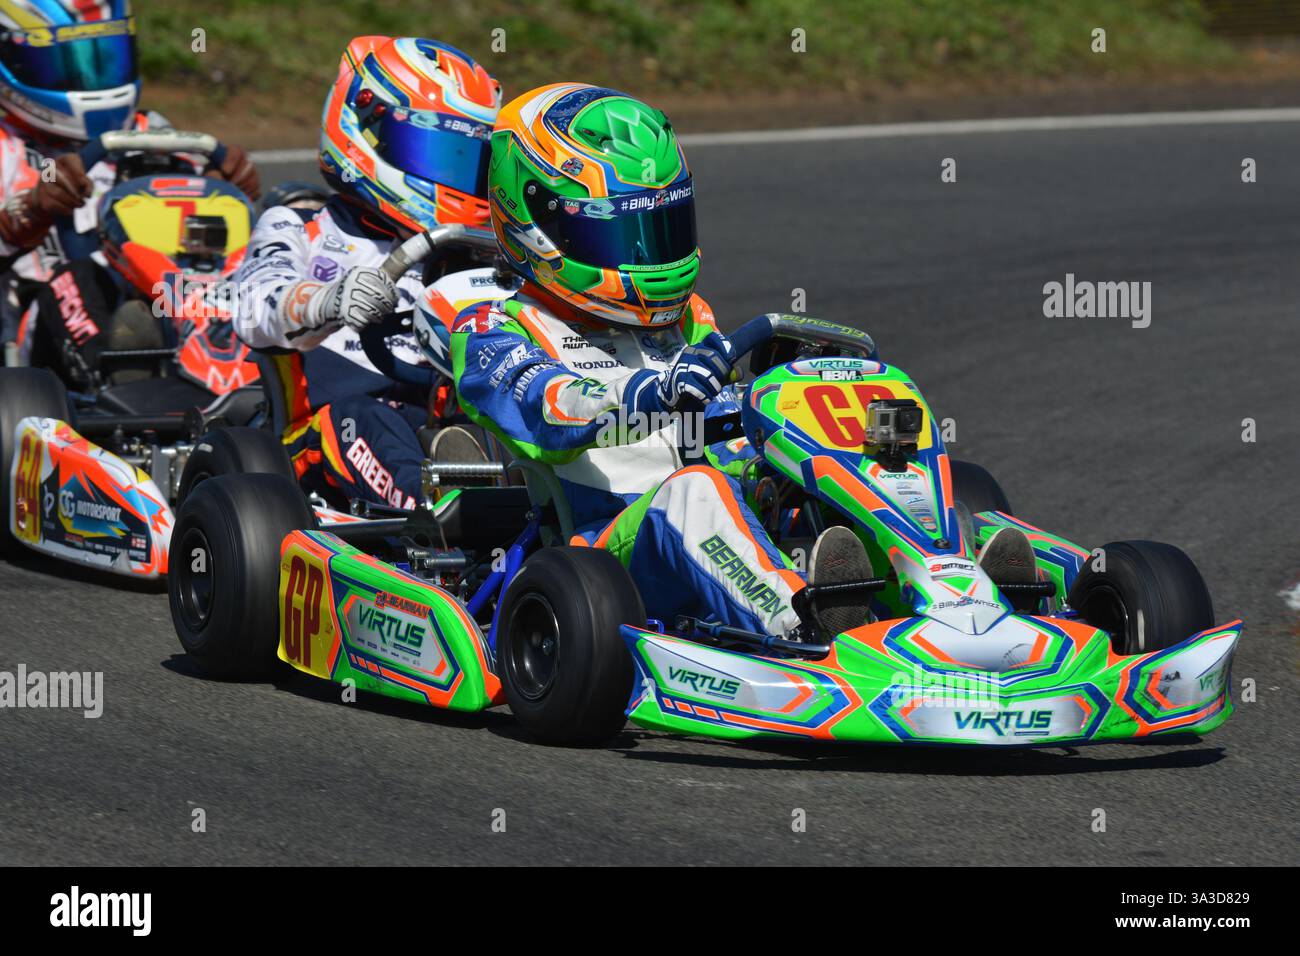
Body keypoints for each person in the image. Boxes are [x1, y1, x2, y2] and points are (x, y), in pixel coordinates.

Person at [449, 83, 889, 641]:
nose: (648, 257)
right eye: (616, 234)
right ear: (539, 224)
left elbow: (723, 420)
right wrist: (650, 395)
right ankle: (805, 625)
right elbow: (546, 406)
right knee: (694, 490)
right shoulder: (494, 329)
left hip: (735, 514)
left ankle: (955, 592)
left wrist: (784, 396)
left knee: (846, 456)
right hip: (605, 559)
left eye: (661, 231)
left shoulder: (687, 321)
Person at [235, 36, 510, 510]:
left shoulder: (480, 254)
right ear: (365, 129)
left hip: (442, 421)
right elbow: (255, 304)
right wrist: (328, 299)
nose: (457, 179)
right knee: (363, 418)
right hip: (317, 442)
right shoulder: (301, 227)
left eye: (470, 164)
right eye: (440, 155)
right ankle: (443, 520)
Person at [0, 0, 259, 369]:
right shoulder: (6, 149)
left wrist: (228, 195)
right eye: (67, 62)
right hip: (42, 340)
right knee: (81, 276)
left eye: (103, 55)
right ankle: (123, 377)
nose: (89, 75)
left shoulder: (153, 132)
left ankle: (253, 367)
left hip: (169, 297)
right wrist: (28, 212)